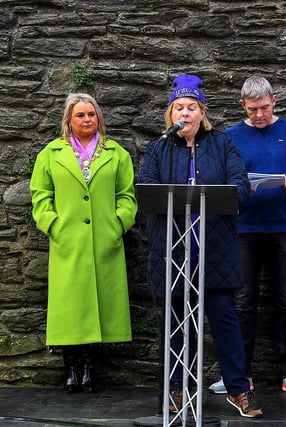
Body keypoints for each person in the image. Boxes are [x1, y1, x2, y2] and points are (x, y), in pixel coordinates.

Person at [138, 74, 262, 418]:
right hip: (172, 252)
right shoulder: (159, 147)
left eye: (192, 107)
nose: (186, 112)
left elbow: (238, 184)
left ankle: (239, 390)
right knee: (176, 323)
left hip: (214, 252)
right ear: (171, 113)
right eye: (180, 107)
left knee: (224, 321)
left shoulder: (222, 144)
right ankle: (177, 389)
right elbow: (146, 188)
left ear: (202, 113)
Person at [208, 76, 286, 398]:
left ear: (275, 100)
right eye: (254, 109)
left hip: (285, 227)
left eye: (265, 108)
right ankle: (239, 375)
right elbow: (220, 180)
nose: (260, 115)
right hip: (243, 229)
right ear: (242, 105)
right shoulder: (230, 136)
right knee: (242, 302)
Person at [30, 93, 137, 393]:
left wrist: (118, 224)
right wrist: (53, 224)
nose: (87, 119)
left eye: (91, 114)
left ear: (99, 118)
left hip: (105, 242)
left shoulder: (117, 154)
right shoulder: (50, 154)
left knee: (98, 306)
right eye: (80, 115)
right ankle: (70, 370)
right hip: (68, 243)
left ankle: (89, 370)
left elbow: (126, 196)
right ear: (68, 120)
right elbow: (40, 196)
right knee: (70, 309)